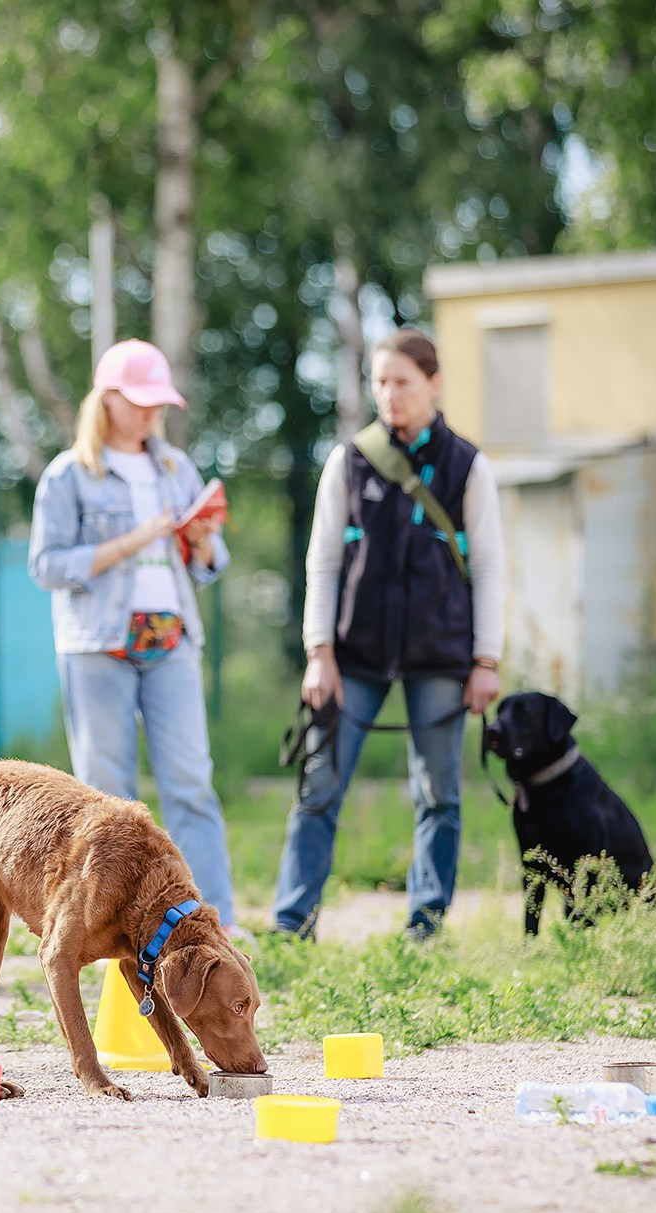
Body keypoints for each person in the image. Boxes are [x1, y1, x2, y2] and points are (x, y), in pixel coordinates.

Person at [272, 327, 504, 942]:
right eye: (379, 381)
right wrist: (319, 652)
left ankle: (425, 925)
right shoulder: (348, 460)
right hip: (354, 655)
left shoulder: (468, 466)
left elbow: (489, 568)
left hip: (442, 655)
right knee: (319, 786)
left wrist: (487, 659)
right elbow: (321, 562)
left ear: (434, 383)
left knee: (438, 794)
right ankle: (293, 922)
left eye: (401, 381)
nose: (389, 394)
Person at [28, 338, 241, 934]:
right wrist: (132, 539)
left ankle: (210, 919)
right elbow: (46, 565)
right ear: (108, 399)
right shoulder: (69, 475)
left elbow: (209, 563)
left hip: (171, 638)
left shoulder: (175, 467)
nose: (152, 413)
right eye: (140, 401)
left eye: (159, 403)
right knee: (105, 797)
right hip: (99, 644)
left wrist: (201, 541)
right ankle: (105, 924)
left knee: (190, 782)